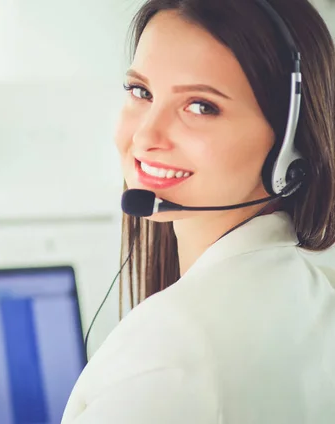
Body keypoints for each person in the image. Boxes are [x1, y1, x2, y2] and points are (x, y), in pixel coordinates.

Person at [61, 0, 335, 422]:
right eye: (141, 92)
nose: (146, 134)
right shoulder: (315, 296)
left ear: (290, 146)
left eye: (201, 106)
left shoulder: (170, 351)